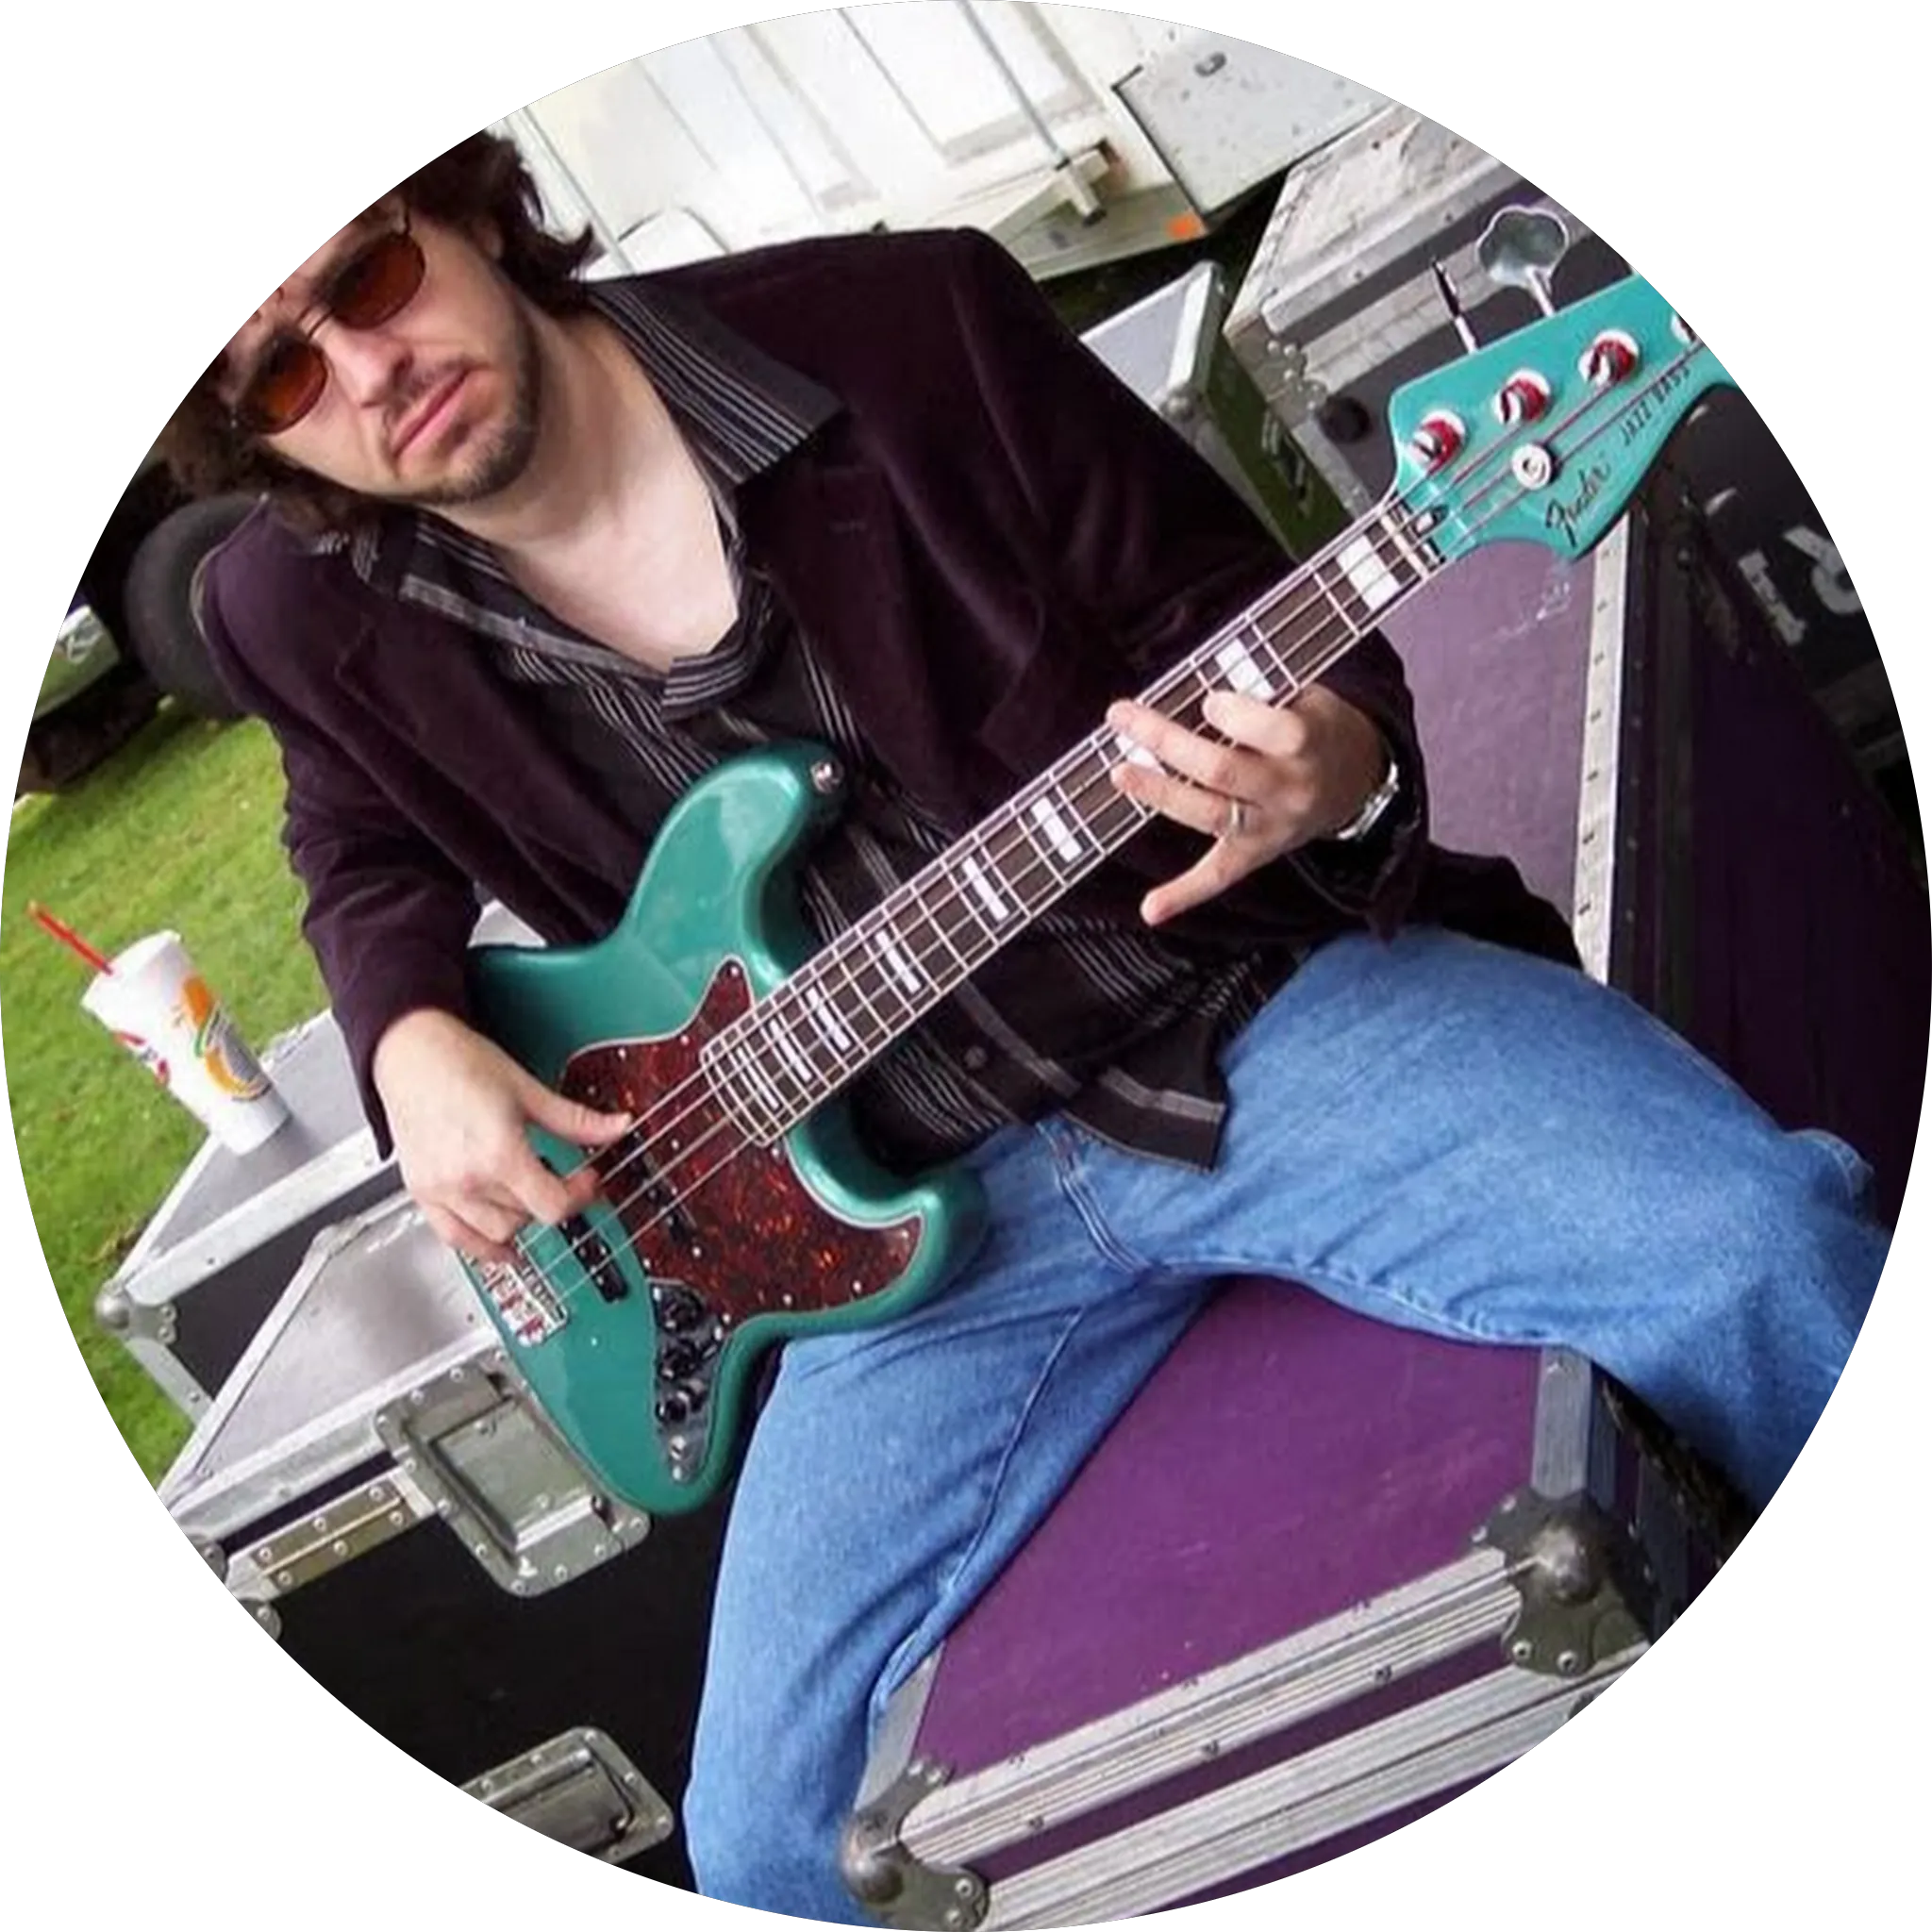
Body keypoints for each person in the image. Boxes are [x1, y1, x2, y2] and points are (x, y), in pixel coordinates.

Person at [159, 132, 1889, 1923]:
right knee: (762, 1842)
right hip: (888, 1237)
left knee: (1752, 1256)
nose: (368, 370)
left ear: (463, 212)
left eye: (369, 275)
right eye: (285, 375)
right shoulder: (293, 610)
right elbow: (348, 835)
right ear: (270, 447)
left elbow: (1247, 627)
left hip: (1236, 1024)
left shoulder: (910, 324)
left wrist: (1336, 763)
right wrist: (403, 1039)